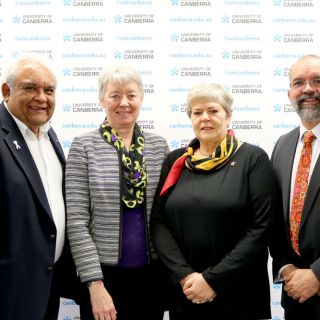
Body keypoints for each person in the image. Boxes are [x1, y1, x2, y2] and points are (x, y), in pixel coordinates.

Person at [150, 83, 279, 320]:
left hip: (238, 293)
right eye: (197, 112)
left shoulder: (253, 159)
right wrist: (186, 276)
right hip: (186, 292)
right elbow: (158, 221)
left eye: (213, 111)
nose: (205, 118)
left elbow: (262, 227)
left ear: (228, 116)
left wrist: (212, 280)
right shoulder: (176, 160)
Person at [65, 65, 170, 320]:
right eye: (115, 95)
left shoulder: (158, 146)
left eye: (131, 95)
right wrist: (94, 283)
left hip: (151, 276)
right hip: (104, 277)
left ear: (141, 98)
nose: (124, 103)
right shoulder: (83, 146)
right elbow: (77, 222)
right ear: (102, 100)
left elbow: (167, 214)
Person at [0, 56, 79, 320]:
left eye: (49, 90)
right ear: (6, 91)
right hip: (9, 291)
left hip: (47, 284)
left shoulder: (48, 135)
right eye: (31, 88)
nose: (41, 98)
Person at [270, 54, 320, 320]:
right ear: (290, 92)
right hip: (295, 297)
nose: (308, 89)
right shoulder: (282, 145)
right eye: (299, 82)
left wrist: (317, 275)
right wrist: (287, 268)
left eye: (317, 81)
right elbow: (275, 219)